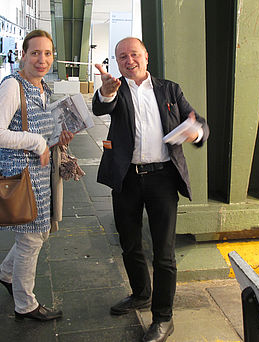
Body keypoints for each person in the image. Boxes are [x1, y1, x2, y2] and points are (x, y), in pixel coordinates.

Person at [92, 37, 209, 342]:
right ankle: (141, 293)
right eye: (121, 57)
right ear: (116, 63)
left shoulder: (170, 89)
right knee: (130, 245)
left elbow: (199, 123)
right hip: (127, 179)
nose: (128, 60)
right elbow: (100, 107)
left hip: (162, 179)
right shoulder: (116, 89)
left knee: (164, 252)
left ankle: (163, 319)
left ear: (146, 57)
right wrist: (105, 92)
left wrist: (195, 131)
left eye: (134, 54)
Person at [0, 30, 74, 322]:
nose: (42, 59)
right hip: (22, 173)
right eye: (35, 53)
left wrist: (56, 137)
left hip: (41, 172)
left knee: (35, 234)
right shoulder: (13, 86)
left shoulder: (42, 88)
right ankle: (25, 305)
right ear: (23, 55)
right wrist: (37, 142)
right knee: (32, 238)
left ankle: (4, 274)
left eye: (47, 53)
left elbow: (39, 129)